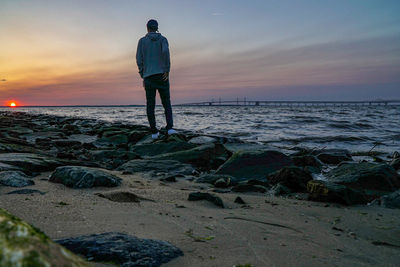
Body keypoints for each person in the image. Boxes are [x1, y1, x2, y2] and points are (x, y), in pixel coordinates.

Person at [136, 19, 177, 139]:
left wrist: (142, 73)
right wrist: (167, 69)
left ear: (147, 28)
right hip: (162, 75)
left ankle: (154, 132)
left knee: (150, 104)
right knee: (166, 103)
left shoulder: (142, 41)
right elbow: (166, 53)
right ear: (157, 27)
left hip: (148, 76)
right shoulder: (163, 39)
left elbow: (139, 59)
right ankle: (170, 128)